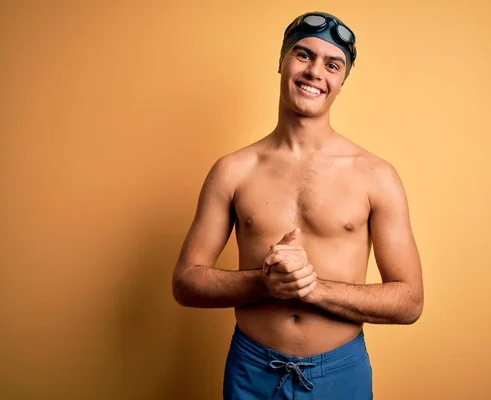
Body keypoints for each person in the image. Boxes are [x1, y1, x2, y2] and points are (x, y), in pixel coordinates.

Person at [172, 11, 424, 400]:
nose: (315, 72)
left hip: (340, 372)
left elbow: (409, 301)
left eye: (332, 64)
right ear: (282, 62)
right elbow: (186, 283)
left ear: (342, 81)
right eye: (303, 55)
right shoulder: (233, 170)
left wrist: (314, 289)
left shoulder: (376, 175)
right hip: (251, 369)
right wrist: (265, 282)